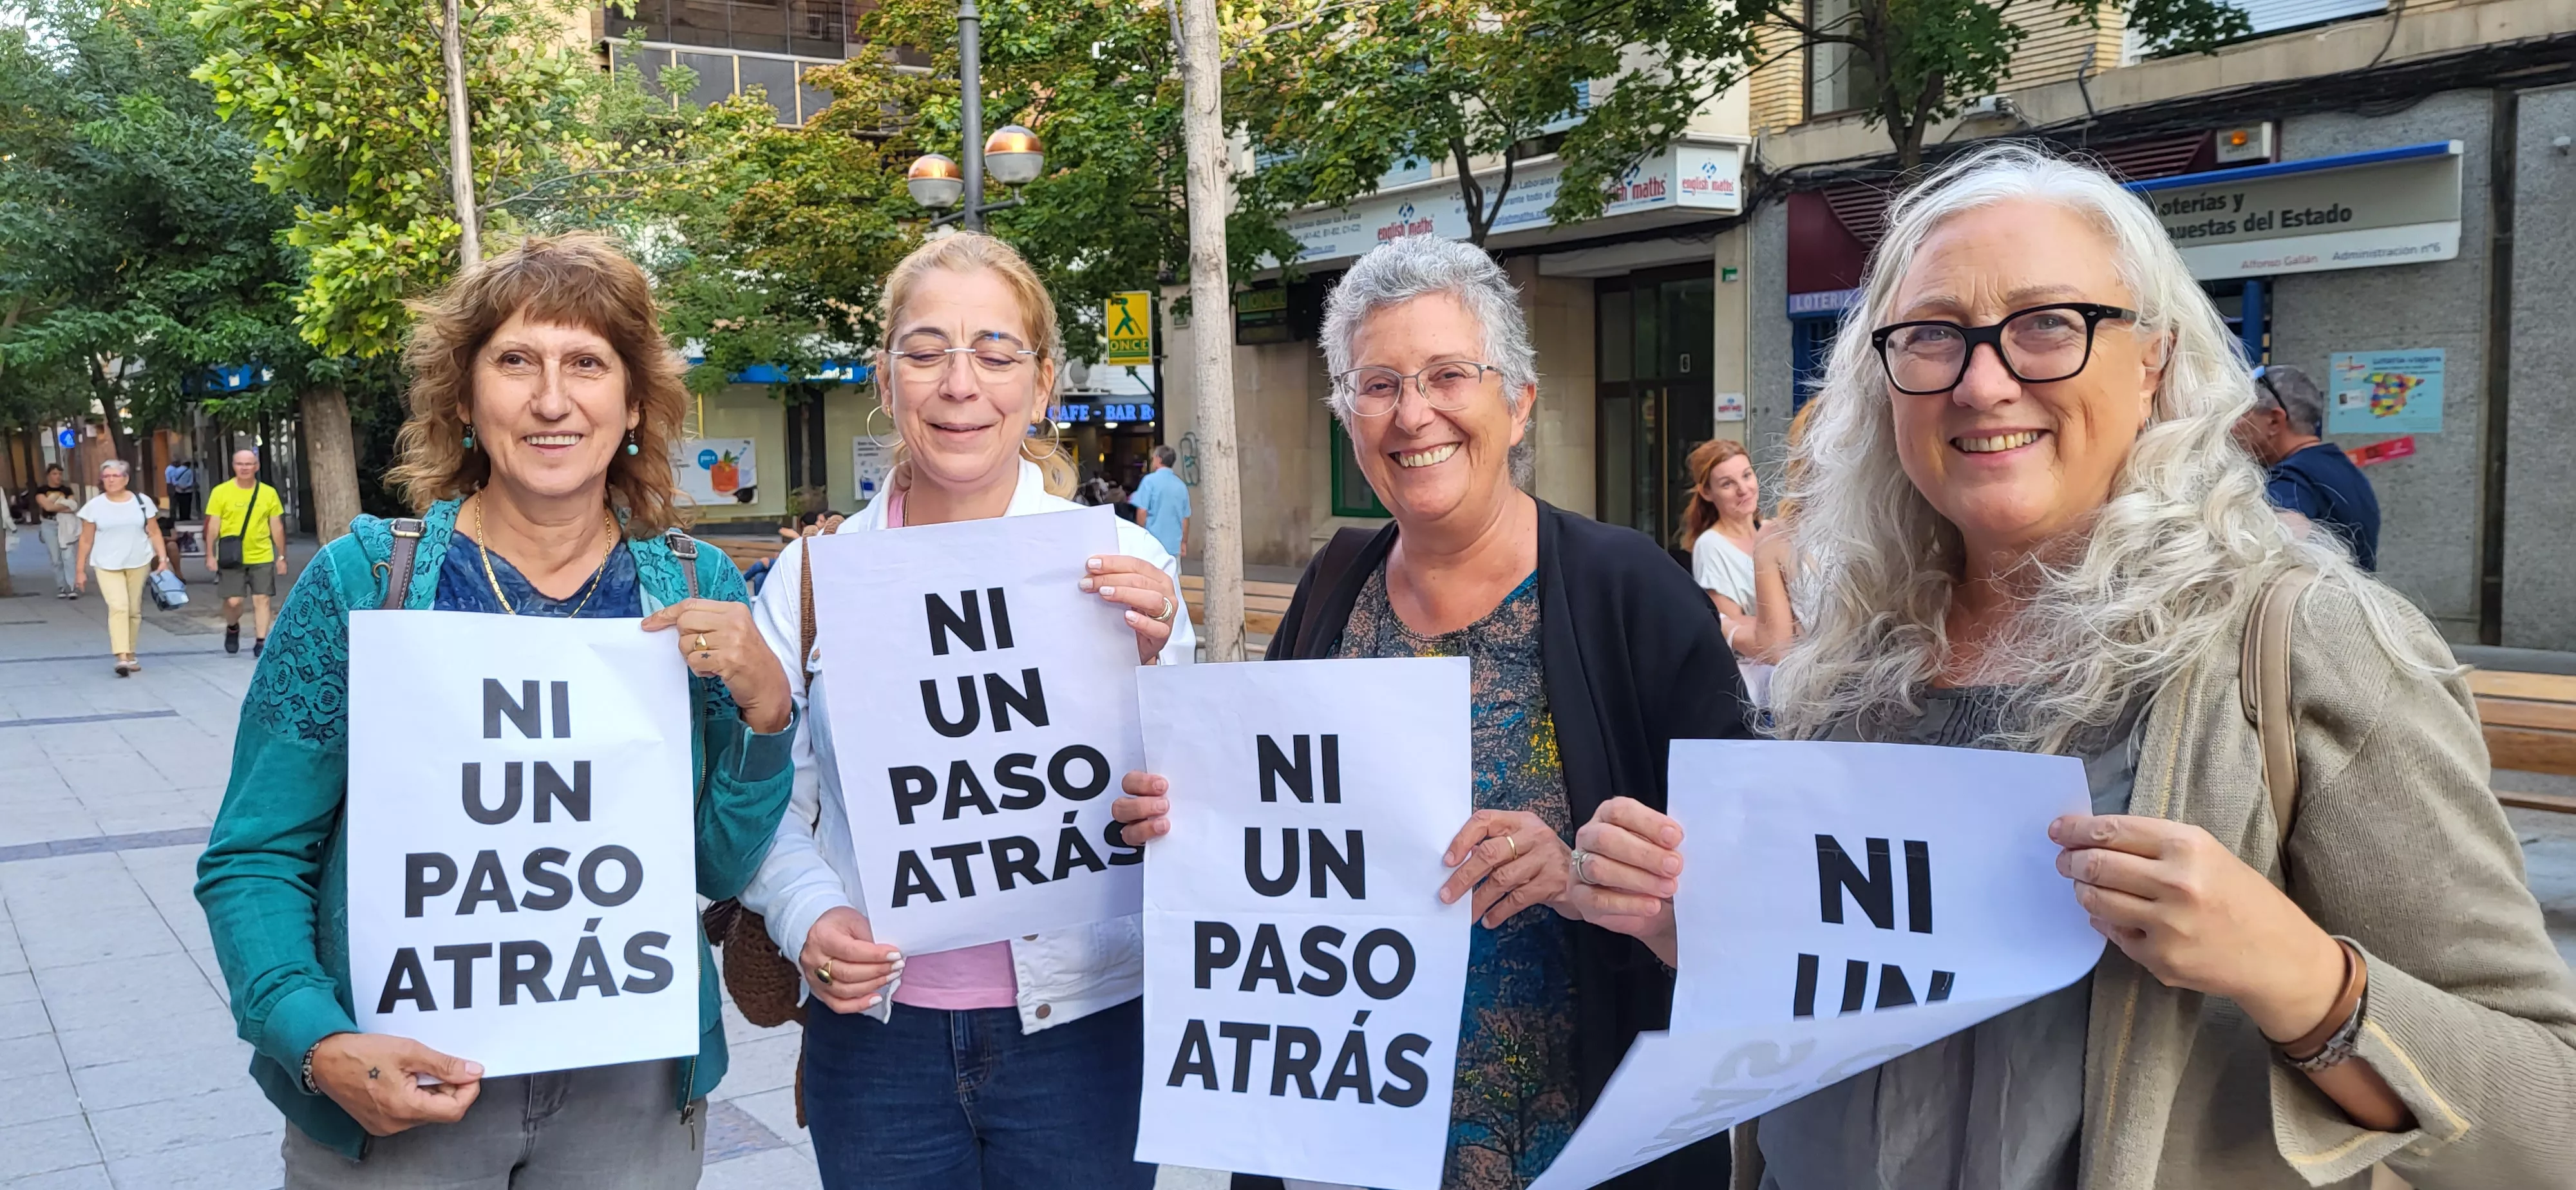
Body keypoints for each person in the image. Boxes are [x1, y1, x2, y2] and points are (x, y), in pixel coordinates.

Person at [1581, 144, 2576, 1189]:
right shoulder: (1853, 660)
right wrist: (1703, 930)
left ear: (2151, 358)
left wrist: (2299, 975)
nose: (1981, 380)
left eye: (2047, 324)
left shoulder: (2304, 647)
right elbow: (1852, 1023)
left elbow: (2547, 1118)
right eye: (1932, 336)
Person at [1112, 234, 1748, 1190]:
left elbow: (1755, 904)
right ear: (1348, 416)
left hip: (1578, 1153)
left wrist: (1580, 875)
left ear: (1519, 400)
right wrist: (1183, 817)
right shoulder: (1332, 586)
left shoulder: (1635, 595)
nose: (1414, 415)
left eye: (1449, 374)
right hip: (1347, 1152)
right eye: (1377, 386)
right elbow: (1270, 840)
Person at [195, 233, 798, 1189]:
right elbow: (256, 852)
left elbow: (717, 864)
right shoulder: (365, 585)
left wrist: (767, 716)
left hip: (628, 1096)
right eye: (516, 361)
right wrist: (316, 1043)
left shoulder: (694, 586)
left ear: (633, 405)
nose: (552, 400)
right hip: (400, 1090)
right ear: (468, 400)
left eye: (587, 365)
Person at [739, 232, 1193, 1190]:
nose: (960, 383)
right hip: (879, 1047)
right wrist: (809, 915)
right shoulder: (815, 580)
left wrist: (1160, 697)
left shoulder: (1126, 568)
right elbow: (769, 799)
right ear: (887, 375)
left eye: (994, 353)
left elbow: (1195, 808)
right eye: (926, 350)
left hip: (1089, 1036)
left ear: (1039, 384)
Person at [2236, 363, 2380, 571]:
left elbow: (2266, 556)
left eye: (2241, 414)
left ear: (2274, 421)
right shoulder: (2343, 469)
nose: (2232, 427)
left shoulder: (2290, 481)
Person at [74, 459, 175, 675]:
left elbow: (155, 532)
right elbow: (85, 540)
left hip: (138, 561)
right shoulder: (95, 506)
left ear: (126, 479)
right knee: (119, 606)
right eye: (106, 477)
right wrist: (80, 570)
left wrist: (163, 559)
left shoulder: (141, 501)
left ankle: (131, 654)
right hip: (106, 564)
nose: (110, 480)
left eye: (115, 476)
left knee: (134, 610)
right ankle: (121, 657)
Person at [1678, 439, 1762, 656]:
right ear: (1707, 493)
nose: (1743, 489)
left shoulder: (1772, 531)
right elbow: (1731, 623)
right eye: (1727, 484)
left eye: (1747, 475)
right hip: (1755, 671)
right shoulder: (1711, 546)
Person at [202, 447, 288, 657]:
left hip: (262, 554)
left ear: (256, 467)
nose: (245, 468)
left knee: (263, 599)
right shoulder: (221, 492)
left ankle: (261, 642)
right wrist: (210, 554)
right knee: (234, 601)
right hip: (231, 555)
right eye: (240, 464)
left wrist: (281, 556)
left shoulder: (268, 493)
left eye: (249, 464)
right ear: (234, 467)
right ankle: (233, 627)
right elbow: (213, 525)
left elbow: (276, 526)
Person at [1130, 443, 1191, 559]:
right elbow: (1185, 519)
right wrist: (1184, 542)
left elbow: (1142, 511)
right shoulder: (1181, 486)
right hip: (1174, 546)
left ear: (1159, 459)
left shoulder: (1149, 481)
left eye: (1153, 458)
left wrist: (1140, 534)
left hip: (1152, 543)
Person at [32, 463, 80, 598]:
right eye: (54, 474)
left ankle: (72, 586)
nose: (57, 477)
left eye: (59, 474)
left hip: (65, 525)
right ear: (48, 475)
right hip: (49, 525)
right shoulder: (41, 491)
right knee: (56, 558)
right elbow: (47, 507)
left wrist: (56, 505)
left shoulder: (67, 490)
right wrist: (62, 505)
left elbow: (73, 506)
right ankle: (61, 586)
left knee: (68, 556)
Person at [165, 455, 199, 524]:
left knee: (180, 504)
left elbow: (173, 479)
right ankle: (186, 517)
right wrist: (186, 486)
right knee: (187, 505)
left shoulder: (176, 470)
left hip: (179, 490)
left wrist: (179, 485)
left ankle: (180, 517)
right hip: (188, 490)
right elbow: (191, 481)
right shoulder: (190, 471)